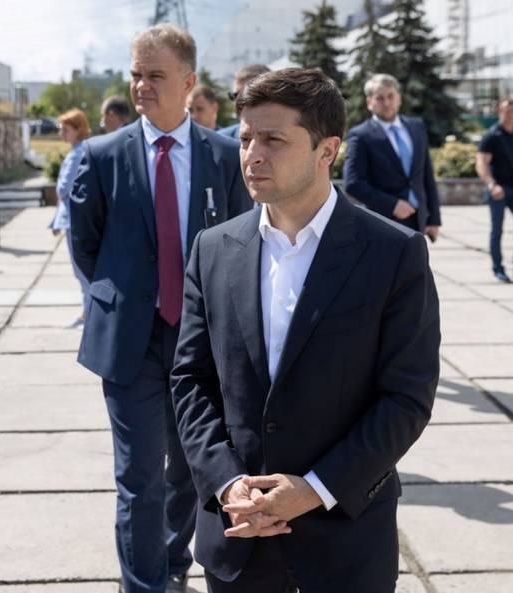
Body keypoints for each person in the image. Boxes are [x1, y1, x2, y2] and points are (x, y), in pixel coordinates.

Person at [171, 68, 440, 593]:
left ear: (327, 150)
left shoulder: (392, 253)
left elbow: (406, 397)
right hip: (239, 538)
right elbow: (190, 381)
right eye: (246, 138)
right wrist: (227, 484)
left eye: (274, 139)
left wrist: (315, 488)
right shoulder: (213, 249)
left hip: (345, 542)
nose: (252, 154)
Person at [69, 24, 252, 593]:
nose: (141, 87)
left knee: (192, 473)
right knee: (139, 479)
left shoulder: (225, 156)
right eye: (135, 75)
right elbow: (87, 246)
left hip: (202, 345)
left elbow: (244, 240)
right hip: (131, 344)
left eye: (155, 76)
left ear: (189, 82)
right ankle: (144, 586)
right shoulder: (99, 157)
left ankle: (171, 562)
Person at [342, 73, 441, 241]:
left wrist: (434, 219)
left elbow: (426, 176)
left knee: (416, 268)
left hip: (418, 220)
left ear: (399, 98)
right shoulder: (361, 136)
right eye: (379, 98)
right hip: (383, 222)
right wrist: (392, 205)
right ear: (369, 102)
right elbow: (353, 183)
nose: (386, 103)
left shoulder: (416, 127)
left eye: (390, 96)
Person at [475, 97, 513, 282]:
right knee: (497, 230)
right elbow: (481, 163)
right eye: (506, 111)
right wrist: (491, 185)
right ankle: (498, 269)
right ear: (499, 112)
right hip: (498, 190)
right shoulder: (491, 136)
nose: (510, 115)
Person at [50, 109, 92, 325]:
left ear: (78, 129)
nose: (61, 134)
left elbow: (64, 189)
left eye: (65, 130)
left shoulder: (79, 153)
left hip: (75, 220)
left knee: (82, 271)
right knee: (80, 271)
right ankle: (87, 312)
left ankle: (89, 314)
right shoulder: (77, 151)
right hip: (70, 219)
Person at [218, 64, 270, 139]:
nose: (238, 102)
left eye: (246, 95)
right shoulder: (220, 141)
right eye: (235, 95)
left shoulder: (289, 138)